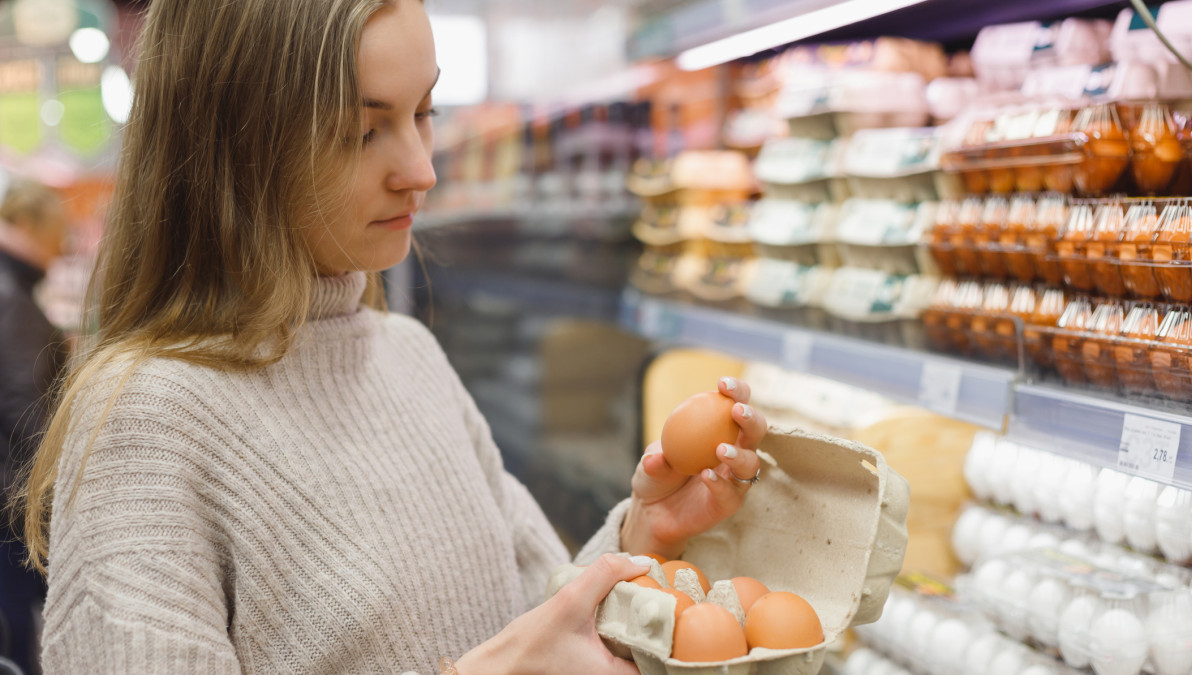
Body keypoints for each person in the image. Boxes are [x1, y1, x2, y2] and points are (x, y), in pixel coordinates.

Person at [17, 1, 768, 674]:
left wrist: (643, 534)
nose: (420, 169)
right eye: (363, 131)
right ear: (236, 147)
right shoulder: (145, 427)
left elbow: (542, 616)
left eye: (424, 112)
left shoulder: (409, 354)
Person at [0, 177, 68, 675]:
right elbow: (26, 408)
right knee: (17, 628)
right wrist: (51, 497)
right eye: (55, 232)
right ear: (26, 225)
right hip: (10, 503)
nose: (60, 246)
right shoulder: (11, 296)